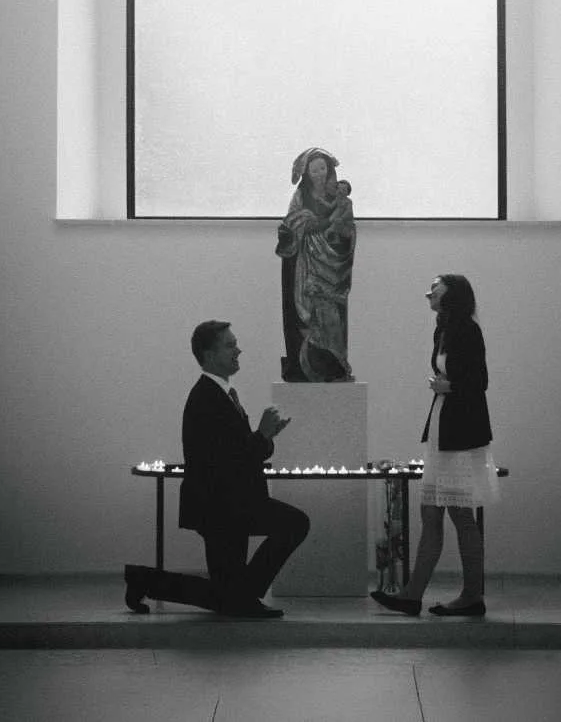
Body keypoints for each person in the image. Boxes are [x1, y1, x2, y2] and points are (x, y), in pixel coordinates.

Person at [123, 318, 310, 619]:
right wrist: (262, 436)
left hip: (229, 504)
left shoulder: (219, 394)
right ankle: (240, 596)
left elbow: (238, 453)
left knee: (226, 597)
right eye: (230, 345)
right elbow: (228, 460)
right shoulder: (207, 398)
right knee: (294, 524)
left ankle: (145, 579)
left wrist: (266, 437)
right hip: (222, 507)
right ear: (209, 355)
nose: (239, 350)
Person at [369, 273, 496, 618]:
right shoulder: (443, 330)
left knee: (460, 515)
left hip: (460, 434)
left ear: (452, 294)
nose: (429, 290)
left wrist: (448, 387)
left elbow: (479, 381)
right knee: (430, 514)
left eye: (435, 286)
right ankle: (412, 595)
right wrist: (444, 387)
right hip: (443, 429)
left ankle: (471, 596)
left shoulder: (468, 330)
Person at [276, 146, 356, 380]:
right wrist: (311, 224)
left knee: (332, 316)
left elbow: (347, 228)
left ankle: (334, 363)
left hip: (332, 268)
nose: (320, 173)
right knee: (308, 314)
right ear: (307, 174)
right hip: (306, 267)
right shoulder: (301, 197)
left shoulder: (339, 198)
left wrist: (339, 231)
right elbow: (292, 224)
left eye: (323, 168)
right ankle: (305, 364)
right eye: (314, 170)